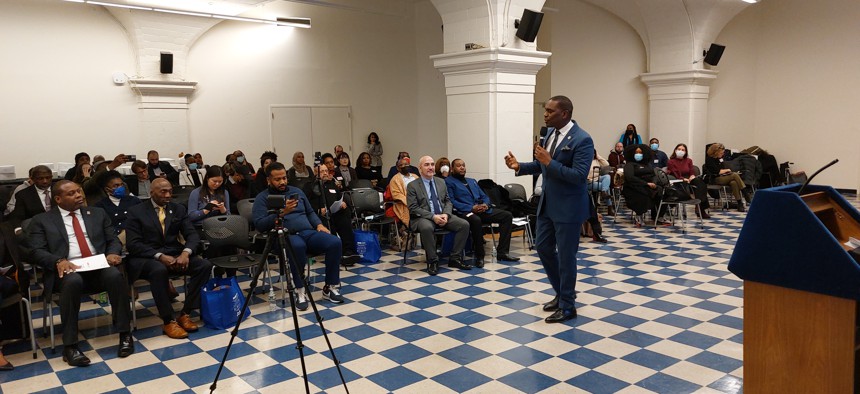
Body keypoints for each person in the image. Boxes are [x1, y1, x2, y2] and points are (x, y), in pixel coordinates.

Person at [504, 95, 593, 323]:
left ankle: (568, 306)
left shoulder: (583, 140)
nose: (545, 115)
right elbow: (540, 165)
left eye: (550, 111)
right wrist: (519, 166)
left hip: (569, 208)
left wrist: (549, 162)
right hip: (548, 205)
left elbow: (578, 176)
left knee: (566, 257)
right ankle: (562, 293)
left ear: (564, 114)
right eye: (545, 110)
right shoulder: (551, 134)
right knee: (543, 248)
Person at [28, 180, 134, 366]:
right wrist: (58, 261)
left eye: (79, 191)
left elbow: (113, 240)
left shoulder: (97, 213)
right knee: (73, 281)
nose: (79, 195)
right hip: (67, 271)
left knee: (115, 276)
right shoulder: (42, 220)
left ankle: (125, 334)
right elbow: (36, 251)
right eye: (72, 193)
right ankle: (70, 346)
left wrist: (112, 252)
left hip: (97, 266)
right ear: (58, 199)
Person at [124, 178, 213, 339]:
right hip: (147, 257)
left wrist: (185, 253)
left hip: (174, 253)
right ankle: (168, 320)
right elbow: (133, 244)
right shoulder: (136, 211)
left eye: (170, 191)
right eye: (163, 191)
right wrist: (159, 256)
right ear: (152, 193)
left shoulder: (178, 209)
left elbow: (192, 234)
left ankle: (185, 313)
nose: (168, 195)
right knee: (158, 270)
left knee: (204, 265)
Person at [252, 162, 346, 310]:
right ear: (268, 180)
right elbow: (260, 224)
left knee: (334, 242)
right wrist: (283, 212)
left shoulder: (297, 191)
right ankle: (300, 291)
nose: (282, 182)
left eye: (284, 178)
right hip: (284, 236)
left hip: (308, 232)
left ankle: (330, 287)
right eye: (277, 179)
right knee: (298, 246)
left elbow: (309, 212)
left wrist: (318, 225)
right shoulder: (263, 198)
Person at [445, 158, 519, 267]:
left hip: (482, 210)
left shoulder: (472, 181)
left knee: (507, 216)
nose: (462, 167)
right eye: (458, 165)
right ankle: (480, 256)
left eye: (463, 165)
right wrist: (471, 208)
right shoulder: (448, 182)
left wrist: (485, 204)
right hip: (464, 212)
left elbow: (484, 196)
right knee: (476, 220)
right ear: (452, 169)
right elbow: (452, 201)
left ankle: (502, 252)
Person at [407, 156, 471, 275]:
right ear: (420, 168)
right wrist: (433, 217)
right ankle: (433, 261)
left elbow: (448, 201)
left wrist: (446, 214)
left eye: (432, 164)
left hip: (442, 214)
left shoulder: (441, 181)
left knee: (464, 224)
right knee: (427, 227)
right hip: (423, 217)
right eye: (426, 165)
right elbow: (413, 208)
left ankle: (455, 258)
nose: (430, 167)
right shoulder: (413, 185)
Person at [312, 165, 360, 266]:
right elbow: (308, 203)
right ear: (315, 173)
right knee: (330, 223)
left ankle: (348, 252)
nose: (325, 173)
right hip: (321, 215)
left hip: (335, 211)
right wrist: (318, 210)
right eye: (322, 171)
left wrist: (342, 203)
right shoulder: (311, 186)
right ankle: (336, 252)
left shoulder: (331, 184)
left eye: (326, 171)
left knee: (345, 221)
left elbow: (339, 197)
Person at [93, 170, 142, 239]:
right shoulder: (100, 206)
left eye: (122, 184)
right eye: (116, 186)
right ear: (107, 189)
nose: (120, 188)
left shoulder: (134, 201)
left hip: (135, 237)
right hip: (113, 239)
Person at [666, 143, 711, 219]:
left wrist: (692, 176)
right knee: (697, 187)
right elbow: (675, 173)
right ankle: (700, 208)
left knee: (700, 183)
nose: (681, 151)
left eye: (683, 150)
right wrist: (683, 179)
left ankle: (700, 207)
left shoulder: (689, 160)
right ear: (675, 150)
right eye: (679, 149)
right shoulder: (671, 161)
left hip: (689, 180)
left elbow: (691, 171)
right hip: (679, 181)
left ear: (686, 152)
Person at [623, 144, 663, 225]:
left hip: (649, 185)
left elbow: (654, 175)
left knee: (662, 192)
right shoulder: (629, 164)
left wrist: (654, 183)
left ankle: (658, 216)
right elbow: (630, 177)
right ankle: (639, 215)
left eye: (640, 152)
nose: (638, 154)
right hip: (633, 186)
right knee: (643, 195)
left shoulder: (648, 164)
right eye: (636, 152)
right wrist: (646, 183)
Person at [704, 143, 748, 212]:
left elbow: (722, 169)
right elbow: (717, 171)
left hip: (722, 177)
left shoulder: (720, 159)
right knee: (734, 175)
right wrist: (726, 170)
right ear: (716, 152)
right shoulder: (709, 160)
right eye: (721, 153)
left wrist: (726, 172)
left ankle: (739, 203)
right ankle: (745, 192)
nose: (722, 154)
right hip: (714, 179)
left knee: (734, 182)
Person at [388, 157, 418, 229]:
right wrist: (411, 202)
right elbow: (396, 195)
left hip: (419, 201)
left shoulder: (415, 176)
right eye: (401, 165)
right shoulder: (395, 179)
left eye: (406, 164)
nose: (404, 166)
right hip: (404, 204)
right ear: (398, 168)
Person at [587, 149, 613, 215]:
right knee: (606, 187)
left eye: (593, 154)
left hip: (597, 178)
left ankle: (603, 192)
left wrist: (598, 156)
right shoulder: (585, 161)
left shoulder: (597, 160)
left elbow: (607, 164)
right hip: (589, 181)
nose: (592, 155)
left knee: (607, 176)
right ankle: (609, 207)